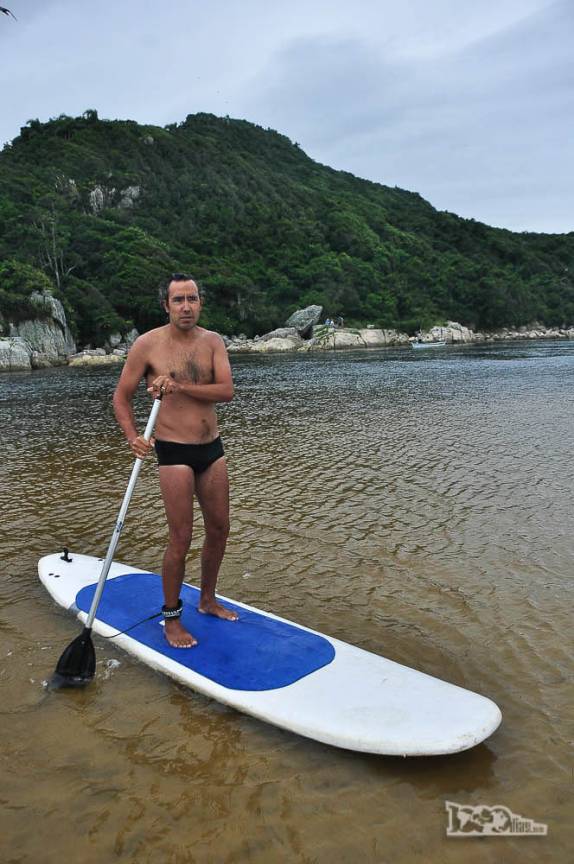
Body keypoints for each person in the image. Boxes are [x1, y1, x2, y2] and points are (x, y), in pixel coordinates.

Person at [112, 273, 238, 648]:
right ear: (166, 305)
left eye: (192, 299)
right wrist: (134, 437)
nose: (186, 306)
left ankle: (207, 599)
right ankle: (171, 619)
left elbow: (226, 391)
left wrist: (179, 386)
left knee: (219, 528)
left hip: (211, 449)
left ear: (200, 303)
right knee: (180, 538)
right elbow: (121, 398)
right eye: (178, 300)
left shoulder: (212, 342)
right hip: (173, 452)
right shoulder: (147, 345)